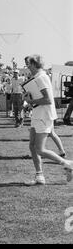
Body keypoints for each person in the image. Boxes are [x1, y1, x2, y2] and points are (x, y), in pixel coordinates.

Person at [24, 55, 73, 185]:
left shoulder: (41, 77)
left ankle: (67, 164)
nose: (27, 66)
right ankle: (39, 176)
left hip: (43, 116)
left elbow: (48, 100)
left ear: (34, 64)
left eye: (28, 64)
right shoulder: (38, 78)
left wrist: (30, 100)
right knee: (32, 146)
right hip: (38, 114)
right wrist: (30, 99)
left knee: (39, 149)